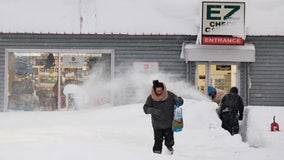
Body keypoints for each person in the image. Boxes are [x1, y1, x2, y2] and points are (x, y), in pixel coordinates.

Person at [143, 80, 183, 154]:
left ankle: (169, 151)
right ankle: (156, 154)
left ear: (163, 89)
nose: (159, 92)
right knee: (158, 141)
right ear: (154, 90)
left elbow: (180, 102)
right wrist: (154, 111)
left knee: (170, 141)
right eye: (157, 91)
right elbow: (145, 109)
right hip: (157, 125)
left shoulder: (170, 95)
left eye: (160, 90)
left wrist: (179, 100)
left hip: (169, 123)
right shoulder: (151, 98)